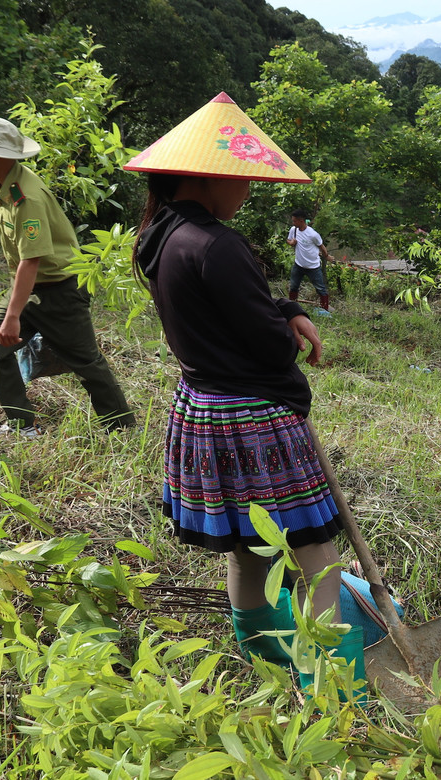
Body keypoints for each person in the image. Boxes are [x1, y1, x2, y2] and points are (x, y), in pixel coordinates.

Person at [124, 92, 361, 687]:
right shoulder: (218, 244)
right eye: (243, 179)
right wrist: (287, 343)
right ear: (207, 176)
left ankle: (261, 653)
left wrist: (284, 306)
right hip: (254, 419)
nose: (249, 191)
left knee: (249, 546)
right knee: (316, 556)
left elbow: (231, 305)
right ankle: (332, 686)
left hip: (202, 407)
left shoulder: (160, 236)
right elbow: (263, 342)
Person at [0, 115, 134, 436]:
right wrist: (13, 314)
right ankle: (22, 424)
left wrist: (13, 316)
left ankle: (122, 429)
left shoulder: (26, 196)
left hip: (59, 288)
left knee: (85, 362)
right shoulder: (1, 185)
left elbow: (31, 261)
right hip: (31, 286)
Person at [286, 209, 332, 314]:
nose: (293, 223)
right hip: (299, 265)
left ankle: (325, 310)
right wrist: (291, 242)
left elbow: (322, 247)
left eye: (294, 221)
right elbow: (288, 240)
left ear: (301, 221)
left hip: (313, 267)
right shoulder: (294, 230)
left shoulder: (312, 234)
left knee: (320, 288)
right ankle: (292, 307)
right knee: (293, 286)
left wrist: (327, 256)